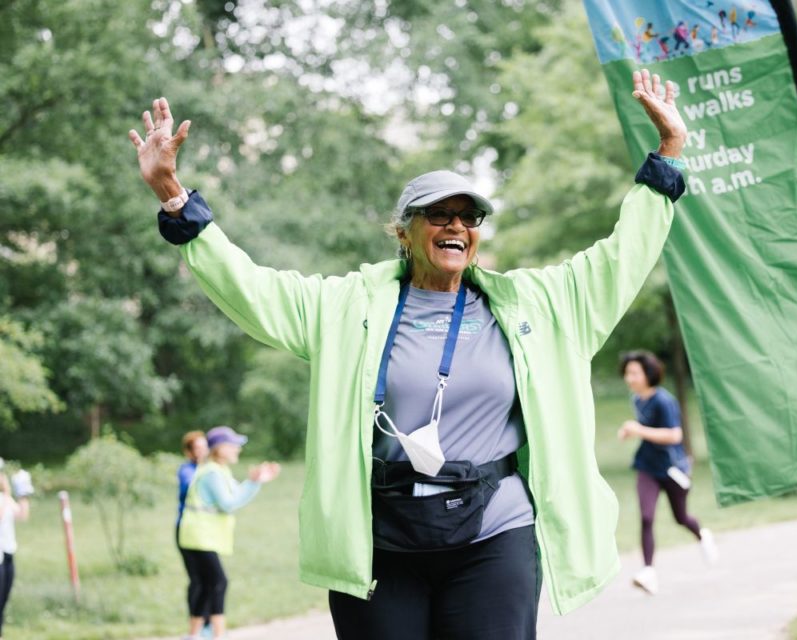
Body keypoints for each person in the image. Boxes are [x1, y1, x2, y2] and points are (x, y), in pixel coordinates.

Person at [128, 68, 688, 638]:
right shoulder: (345, 307)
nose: (456, 226)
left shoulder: (537, 307)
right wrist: (175, 198)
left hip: (495, 532)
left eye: (468, 217)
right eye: (438, 214)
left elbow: (620, 258)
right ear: (405, 231)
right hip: (380, 540)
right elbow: (253, 289)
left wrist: (667, 154)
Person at [617, 351, 717, 595]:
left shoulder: (664, 401)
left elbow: (674, 435)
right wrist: (633, 431)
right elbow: (648, 430)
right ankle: (648, 572)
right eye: (627, 373)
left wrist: (638, 429)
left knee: (681, 517)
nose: (629, 378)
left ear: (648, 374)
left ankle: (702, 534)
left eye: (634, 373)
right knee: (647, 517)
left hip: (673, 469)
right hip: (647, 466)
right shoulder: (637, 399)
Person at [176, 426, 280, 640]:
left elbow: (237, 493)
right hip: (198, 537)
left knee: (207, 584)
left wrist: (255, 481)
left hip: (200, 537)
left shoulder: (219, 470)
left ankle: (196, 635)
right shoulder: (212, 472)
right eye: (233, 445)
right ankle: (217, 634)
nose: (237, 450)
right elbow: (229, 503)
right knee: (218, 582)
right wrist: (254, 482)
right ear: (220, 449)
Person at [176, 431, 210, 634]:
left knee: (211, 580)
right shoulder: (186, 470)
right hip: (186, 530)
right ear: (189, 451)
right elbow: (189, 487)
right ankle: (198, 625)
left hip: (205, 530)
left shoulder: (210, 469)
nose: (202, 451)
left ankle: (206, 625)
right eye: (197, 448)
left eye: (204, 446)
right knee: (198, 580)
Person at [0, 464, 33, 640]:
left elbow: (22, 515)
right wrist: (6, 492)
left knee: (3, 601)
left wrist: (22, 492)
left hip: (7, 554)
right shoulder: (4, 498)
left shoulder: (4, 498)